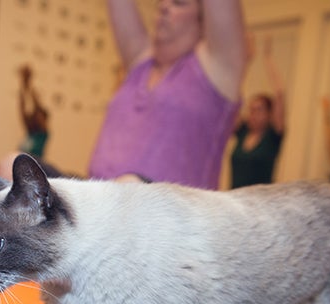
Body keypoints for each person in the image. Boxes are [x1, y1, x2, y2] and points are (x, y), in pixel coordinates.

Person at [87, 0, 248, 188]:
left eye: (178, 3)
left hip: (167, 212)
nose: (164, 7)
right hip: (103, 202)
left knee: (133, 183)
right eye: (161, 2)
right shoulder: (141, 64)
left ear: (204, 21)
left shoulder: (217, 69)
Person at [230, 35, 286, 188]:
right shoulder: (242, 132)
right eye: (251, 109)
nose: (253, 114)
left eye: (259, 110)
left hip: (261, 204)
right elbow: (233, 95)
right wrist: (245, 61)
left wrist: (268, 58)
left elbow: (280, 93)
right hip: (235, 200)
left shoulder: (273, 136)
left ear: (269, 114)